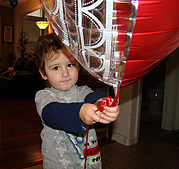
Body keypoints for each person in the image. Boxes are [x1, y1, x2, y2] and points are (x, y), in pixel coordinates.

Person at [32, 33, 119, 169]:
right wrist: (80, 112)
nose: (65, 73)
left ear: (78, 65)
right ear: (43, 73)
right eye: (56, 68)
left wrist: (103, 104)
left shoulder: (83, 91)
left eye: (70, 64)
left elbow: (94, 97)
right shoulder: (44, 96)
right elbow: (52, 113)